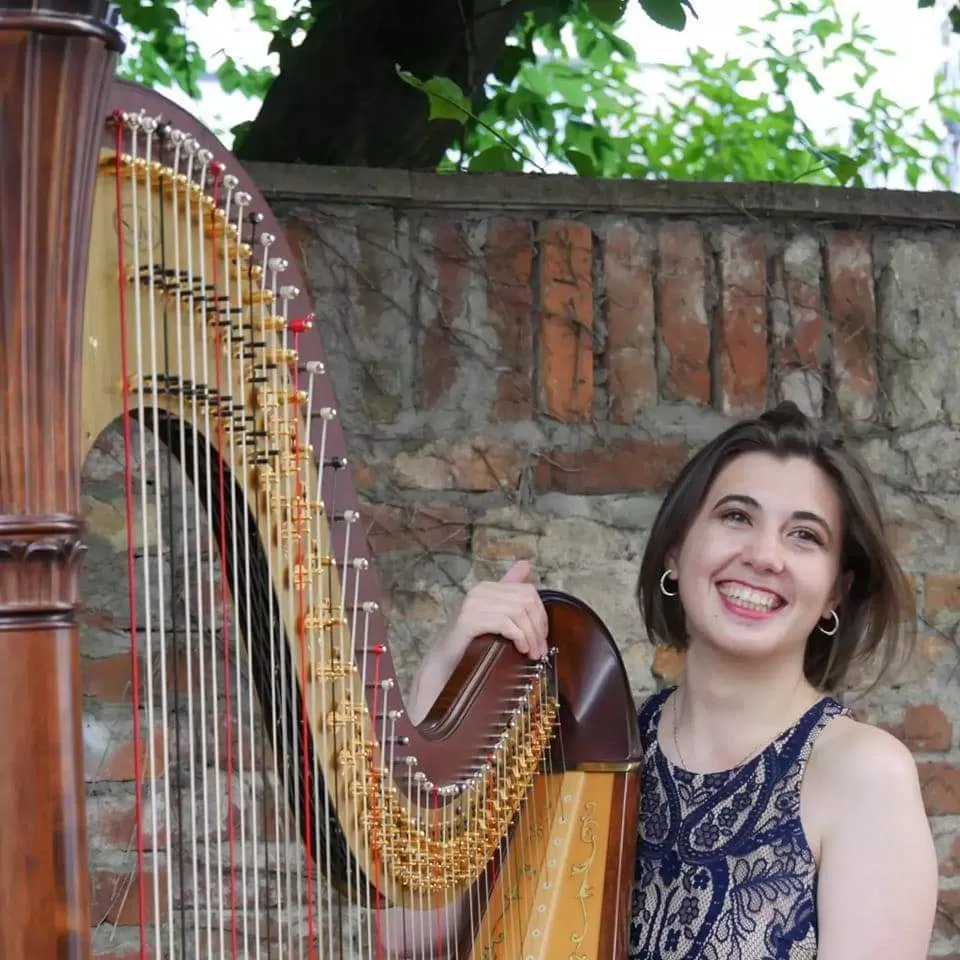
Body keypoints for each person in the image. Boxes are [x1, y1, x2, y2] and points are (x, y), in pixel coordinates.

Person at [406, 401, 938, 960]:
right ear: (675, 551)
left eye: (804, 535)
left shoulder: (864, 775)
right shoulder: (594, 754)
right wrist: (446, 671)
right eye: (737, 517)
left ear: (835, 591)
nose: (764, 556)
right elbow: (412, 936)